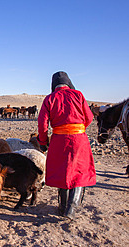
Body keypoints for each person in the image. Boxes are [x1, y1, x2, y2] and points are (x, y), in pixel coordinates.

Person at [37, 71, 96, 220]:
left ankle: (62, 207)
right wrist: (78, 128)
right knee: (79, 171)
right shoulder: (78, 95)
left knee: (62, 171)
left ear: (53, 85)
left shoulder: (49, 98)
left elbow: (42, 124)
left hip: (59, 140)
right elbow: (89, 117)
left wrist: (43, 142)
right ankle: (72, 208)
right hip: (79, 139)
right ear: (68, 82)